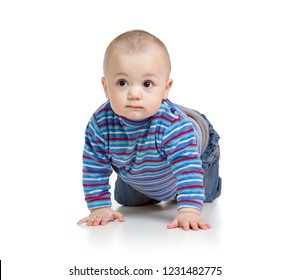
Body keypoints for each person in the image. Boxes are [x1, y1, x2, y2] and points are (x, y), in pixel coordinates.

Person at [77, 30, 221, 231]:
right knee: (127, 201)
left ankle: (193, 187)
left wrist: (189, 210)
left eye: (147, 84)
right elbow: (94, 166)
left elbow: (187, 167)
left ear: (165, 88)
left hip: (198, 150)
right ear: (105, 87)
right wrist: (99, 207)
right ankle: (158, 186)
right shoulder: (100, 124)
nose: (134, 94)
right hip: (142, 164)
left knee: (204, 194)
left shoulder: (173, 127)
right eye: (122, 83)